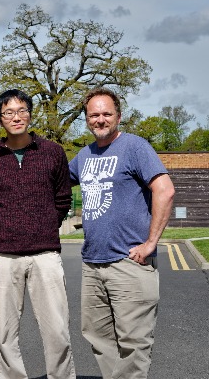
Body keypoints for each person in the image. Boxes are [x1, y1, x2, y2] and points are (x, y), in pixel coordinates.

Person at [69, 87, 175, 379]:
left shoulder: (135, 147)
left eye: (106, 113)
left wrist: (151, 243)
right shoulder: (84, 155)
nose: (100, 119)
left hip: (129, 263)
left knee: (134, 343)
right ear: (86, 118)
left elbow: (164, 190)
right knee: (98, 338)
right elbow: (51, 183)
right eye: (94, 114)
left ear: (118, 115)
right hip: (93, 264)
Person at [0, 89, 76, 379]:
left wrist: (44, 224)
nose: (16, 117)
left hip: (45, 253)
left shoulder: (53, 153)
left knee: (57, 329)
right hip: (5, 255)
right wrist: (8, 226)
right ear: (0, 119)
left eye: (22, 110)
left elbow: (63, 199)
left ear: (30, 114)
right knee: (6, 333)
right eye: (8, 112)